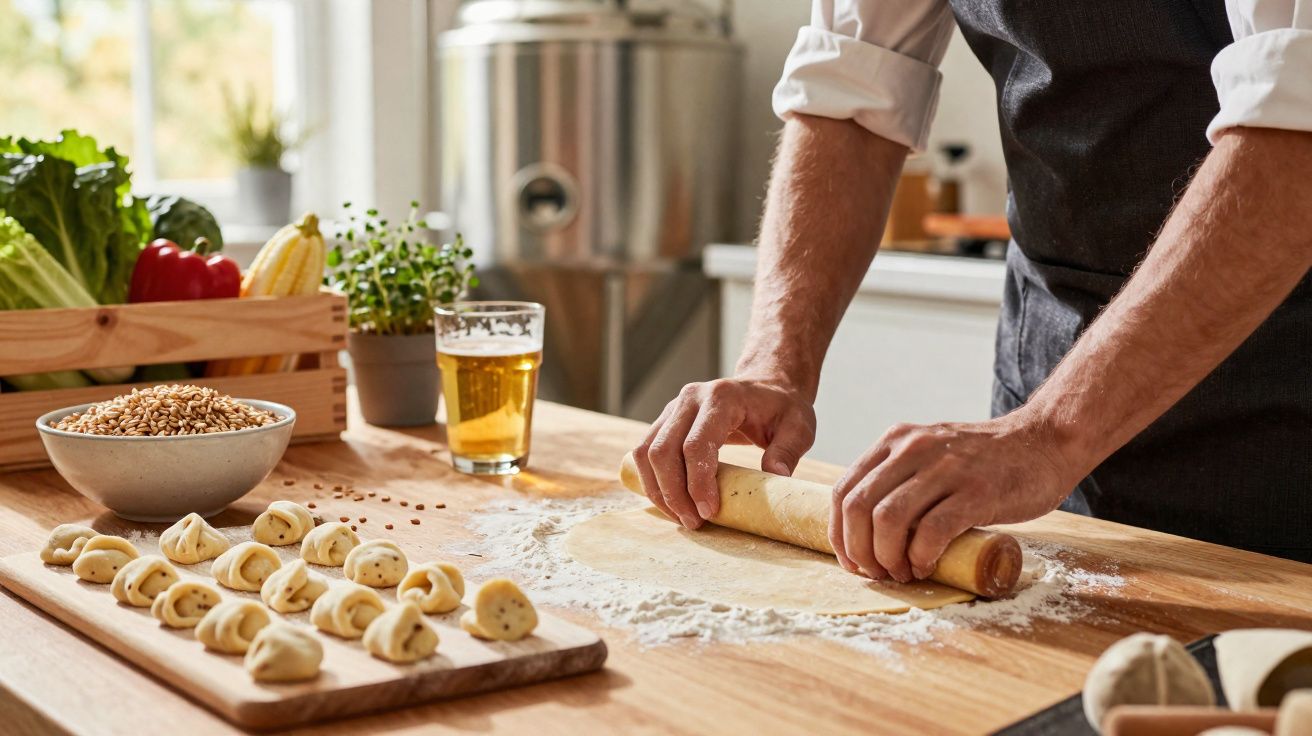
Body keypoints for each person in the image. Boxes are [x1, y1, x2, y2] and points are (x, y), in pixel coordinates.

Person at [630, 0, 1312, 576]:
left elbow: (1296, 127)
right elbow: (849, 93)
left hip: (1284, 389)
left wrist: (1050, 434)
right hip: (1052, 362)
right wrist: (772, 367)